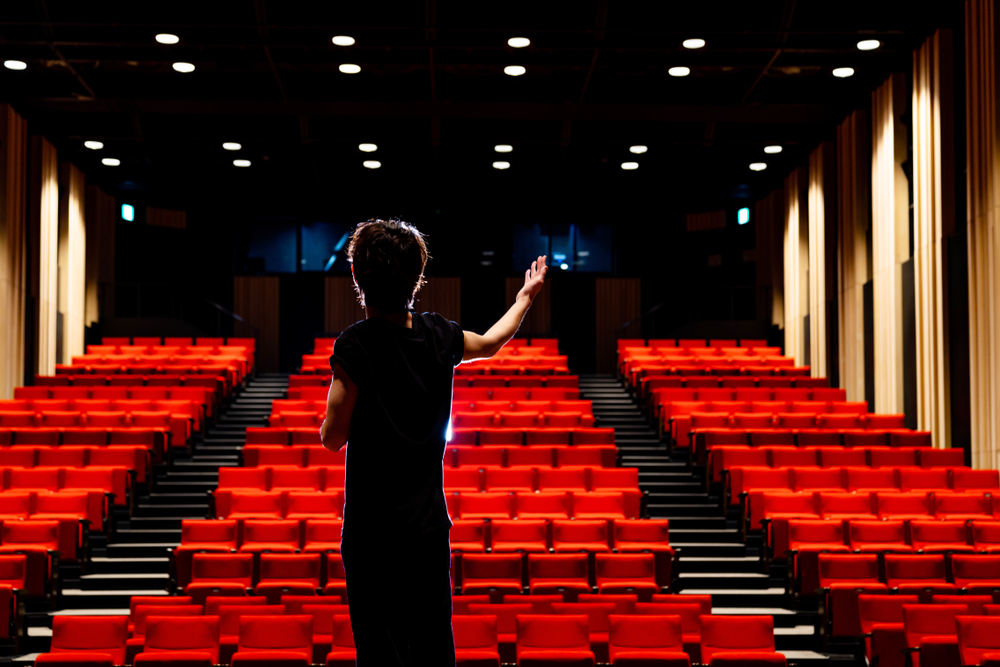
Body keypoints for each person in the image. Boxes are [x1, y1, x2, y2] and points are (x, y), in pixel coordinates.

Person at [319, 218, 547, 666]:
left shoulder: (354, 346)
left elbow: (332, 437)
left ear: (356, 276)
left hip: (371, 532)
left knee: (380, 650)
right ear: (416, 278)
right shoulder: (440, 335)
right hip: (426, 529)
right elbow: (492, 341)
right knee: (431, 646)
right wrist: (524, 297)